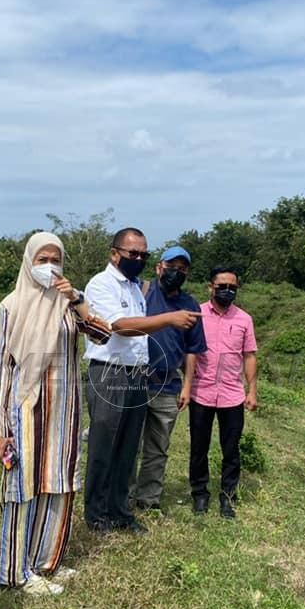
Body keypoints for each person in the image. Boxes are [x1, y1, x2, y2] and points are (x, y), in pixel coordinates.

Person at [0, 232, 110, 596]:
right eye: (43, 259)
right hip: (24, 410)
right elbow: (2, 368)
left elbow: (102, 335)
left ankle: (46, 561)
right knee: (22, 488)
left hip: (63, 412)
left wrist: (76, 298)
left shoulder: (68, 305)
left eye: (56, 259)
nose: (50, 266)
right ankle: (14, 571)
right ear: (29, 262)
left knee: (58, 482)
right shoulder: (11, 305)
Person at [83, 228, 201, 534]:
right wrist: (169, 319)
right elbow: (119, 326)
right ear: (114, 253)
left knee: (127, 449)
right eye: (131, 253)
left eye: (142, 255)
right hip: (110, 372)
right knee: (104, 446)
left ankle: (121, 512)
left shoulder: (136, 288)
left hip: (137, 374)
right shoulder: (101, 284)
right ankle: (97, 516)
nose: (138, 259)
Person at [130, 246, 206, 512]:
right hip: (136, 380)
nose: (176, 272)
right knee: (130, 444)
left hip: (168, 384)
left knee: (158, 446)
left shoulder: (190, 305)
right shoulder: (142, 292)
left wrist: (187, 385)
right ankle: (124, 497)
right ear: (159, 267)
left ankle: (148, 499)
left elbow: (192, 349)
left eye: (182, 269)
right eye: (171, 266)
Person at [189, 266, 258, 519]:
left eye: (232, 287)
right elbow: (190, 353)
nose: (227, 291)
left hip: (232, 395)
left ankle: (228, 496)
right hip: (201, 392)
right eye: (222, 287)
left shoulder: (244, 319)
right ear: (211, 287)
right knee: (199, 447)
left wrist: (252, 391)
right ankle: (199, 494)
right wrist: (186, 385)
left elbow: (249, 356)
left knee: (231, 449)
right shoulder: (196, 314)